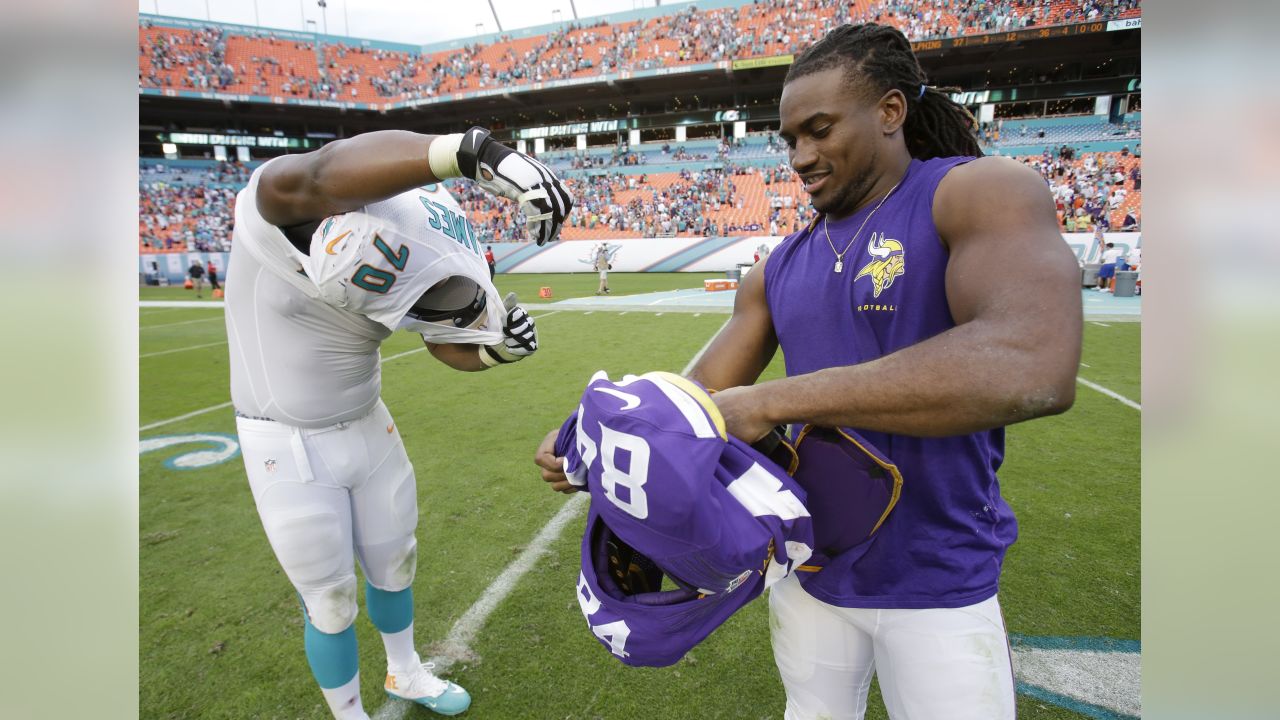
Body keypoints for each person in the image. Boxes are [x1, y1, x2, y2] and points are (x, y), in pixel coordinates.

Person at [538, 22, 1080, 720]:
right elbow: (694, 400)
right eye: (791, 137)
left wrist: (773, 400)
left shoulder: (977, 191)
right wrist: (584, 435)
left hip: (939, 574)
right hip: (808, 568)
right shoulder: (775, 269)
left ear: (890, 112)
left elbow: (1032, 364)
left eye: (819, 130)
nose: (800, 155)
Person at [226, 126, 571, 720]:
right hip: (284, 439)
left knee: (396, 561)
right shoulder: (285, 205)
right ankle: (348, 714)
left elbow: (438, 336)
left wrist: (493, 351)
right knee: (330, 601)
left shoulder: (430, 245)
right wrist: (474, 152)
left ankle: (405, 671)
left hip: (367, 422)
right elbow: (311, 175)